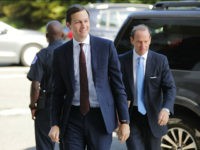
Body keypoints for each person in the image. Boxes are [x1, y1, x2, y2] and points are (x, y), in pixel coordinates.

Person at [48, 4, 130, 150]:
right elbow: (57, 92)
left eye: (86, 21)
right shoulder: (61, 53)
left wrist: (124, 121)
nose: (83, 25)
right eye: (78, 22)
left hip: (100, 117)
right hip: (72, 117)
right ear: (69, 25)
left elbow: (118, 86)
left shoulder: (106, 47)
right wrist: (54, 123)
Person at [119, 24, 176, 150]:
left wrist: (166, 109)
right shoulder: (121, 61)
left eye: (146, 41)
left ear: (150, 39)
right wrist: (119, 115)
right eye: (139, 42)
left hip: (154, 116)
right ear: (132, 40)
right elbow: (115, 88)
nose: (143, 46)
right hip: (131, 116)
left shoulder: (160, 61)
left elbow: (170, 88)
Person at [27, 20, 65, 150]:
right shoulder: (71, 52)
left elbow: (35, 85)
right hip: (70, 104)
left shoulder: (42, 55)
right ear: (63, 35)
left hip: (47, 106)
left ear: (47, 36)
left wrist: (33, 105)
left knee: (44, 143)